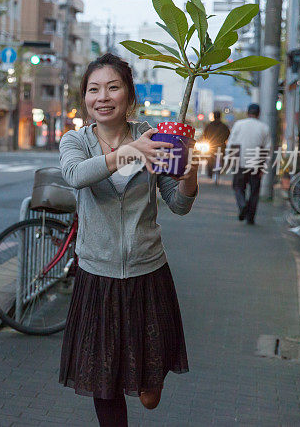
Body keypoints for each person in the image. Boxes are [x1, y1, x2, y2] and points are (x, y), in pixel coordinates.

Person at [58, 53, 198, 426]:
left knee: (149, 396)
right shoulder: (75, 141)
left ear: (129, 96)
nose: (102, 97)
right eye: (93, 89)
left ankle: (153, 384)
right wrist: (127, 155)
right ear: (85, 98)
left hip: (147, 276)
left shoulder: (152, 137)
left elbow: (178, 204)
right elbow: (75, 175)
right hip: (97, 278)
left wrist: (188, 174)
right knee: (106, 385)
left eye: (112, 87)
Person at [226, 103, 271, 225]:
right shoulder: (264, 127)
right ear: (259, 114)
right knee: (254, 191)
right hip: (257, 163)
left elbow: (231, 143)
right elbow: (267, 149)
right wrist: (264, 166)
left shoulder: (239, 125)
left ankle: (242, 205)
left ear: (247, 112)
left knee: (238, 187)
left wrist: (228, 159)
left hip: (240, 162)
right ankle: (250, 218)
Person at [201, 110, 231, 177]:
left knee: (209, 159)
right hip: (222, 146)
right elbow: (228, 135)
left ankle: (210, 174)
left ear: (213, 116)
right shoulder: (224, 126)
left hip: (211, 146)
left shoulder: (209, 125)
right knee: (222, 157)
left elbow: (205, 134)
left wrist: (207, 140)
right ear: (220, 116)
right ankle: (220, 169)